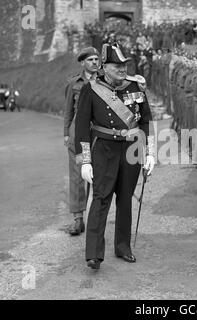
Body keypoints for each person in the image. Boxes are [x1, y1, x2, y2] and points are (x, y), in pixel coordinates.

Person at [75, 42, 155, 269]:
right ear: (104, 67)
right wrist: (86, 160)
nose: (122, 69)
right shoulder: (91, 89)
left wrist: (149, 153)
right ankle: (94, 253)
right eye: (117, 65)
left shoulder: (135, 87)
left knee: (125, 198)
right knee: (101, 198)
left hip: (131, 148)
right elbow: (82, 126)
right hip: (104, 149)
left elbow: (146, 120)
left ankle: (123, 247)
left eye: (125, 65)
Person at [64, 47, 100, 236]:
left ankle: (96, 217)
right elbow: (68, 110)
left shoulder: (105, 81)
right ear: (82, 63)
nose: (95, 62)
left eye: (96, 59)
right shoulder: (74, 84)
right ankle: (78, 219)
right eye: (90, 60)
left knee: (99, 175)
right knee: (77, 177)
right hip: (78, 133)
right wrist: (66, 134)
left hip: (99, 133)